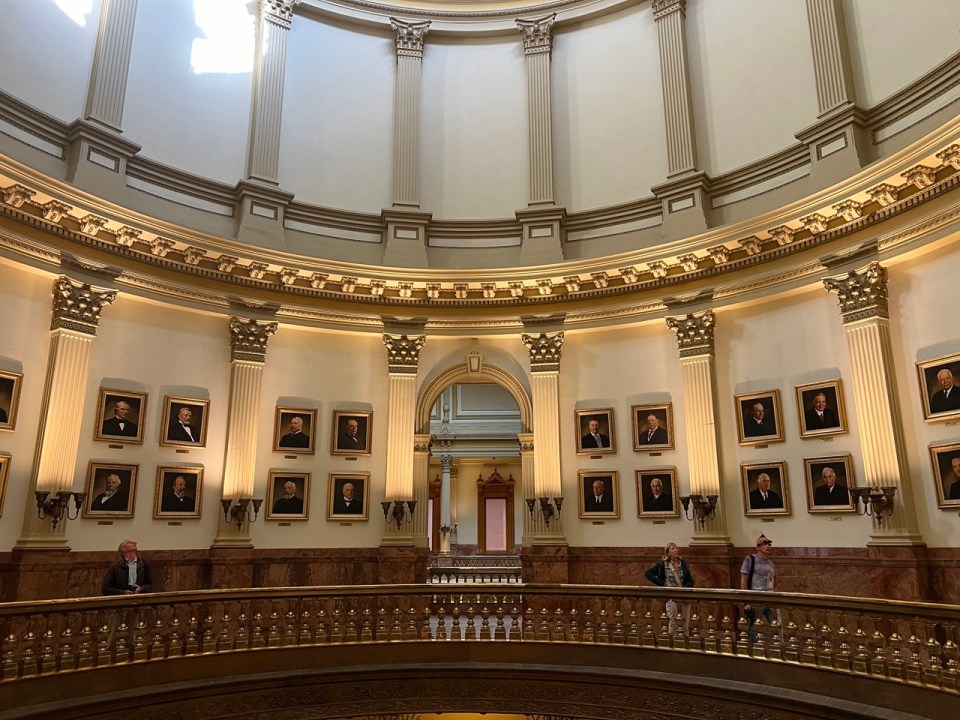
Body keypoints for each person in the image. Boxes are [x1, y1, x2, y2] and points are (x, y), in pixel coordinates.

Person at [644, 542, 695, 635]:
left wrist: (685, 588)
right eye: (673, 548)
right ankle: (672, 645)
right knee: (673, 623)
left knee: (685, 623)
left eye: (676, 548)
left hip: (684, 596)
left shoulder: (682, 563)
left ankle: (685, 646)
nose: (676, 550)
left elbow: (690, 580)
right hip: (671, 596)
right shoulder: (663, 565)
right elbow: (648, 574)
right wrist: (662, 584)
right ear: (668, 553)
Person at [740, 534, 776, 642]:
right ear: (758, 547)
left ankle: (779, 647)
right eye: (764, 543)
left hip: (769, 599)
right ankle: (752, 649)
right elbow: (744, 579)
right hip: (756, 599)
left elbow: (774, 581)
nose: (767, 546)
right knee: (756, 627)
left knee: (776, 625)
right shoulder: (750, 559)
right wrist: (746, 601)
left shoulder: (771, 564)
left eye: (769, 543)